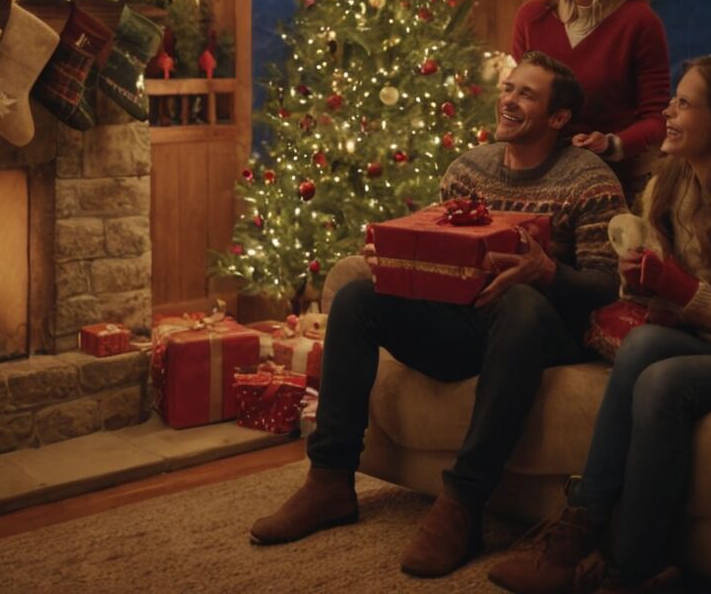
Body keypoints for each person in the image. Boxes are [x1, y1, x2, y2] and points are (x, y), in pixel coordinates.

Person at [249, 51, 627, 579]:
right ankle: (330, 480)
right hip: (461, 323)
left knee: (518, 303)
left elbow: (609, 285)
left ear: (559, 118)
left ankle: (463, 503)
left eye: (526, 94)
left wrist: (545, 272)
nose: (508, 99)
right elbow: (439, 253)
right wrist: (399, 262)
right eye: (508, 88)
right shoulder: (467, 169)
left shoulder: (589, 179)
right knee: (359, 296)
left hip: (541, 331)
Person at [488, 56, 711, 594]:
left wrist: (685, 293)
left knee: (664, 380)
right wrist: (644, 284)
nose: (667, 112)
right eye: (672, 99)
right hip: (707, 339)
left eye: (684, 104)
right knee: (644, 341)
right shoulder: (674, 184)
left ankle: (632, 569)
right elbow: (671, 302)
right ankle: (576, 534)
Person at [511, 0, 670, 204]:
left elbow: (656, 118)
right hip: (538, 180)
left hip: (611, 181)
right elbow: (521, 102)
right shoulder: (532, 17)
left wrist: (612, 144)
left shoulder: (640, 22)